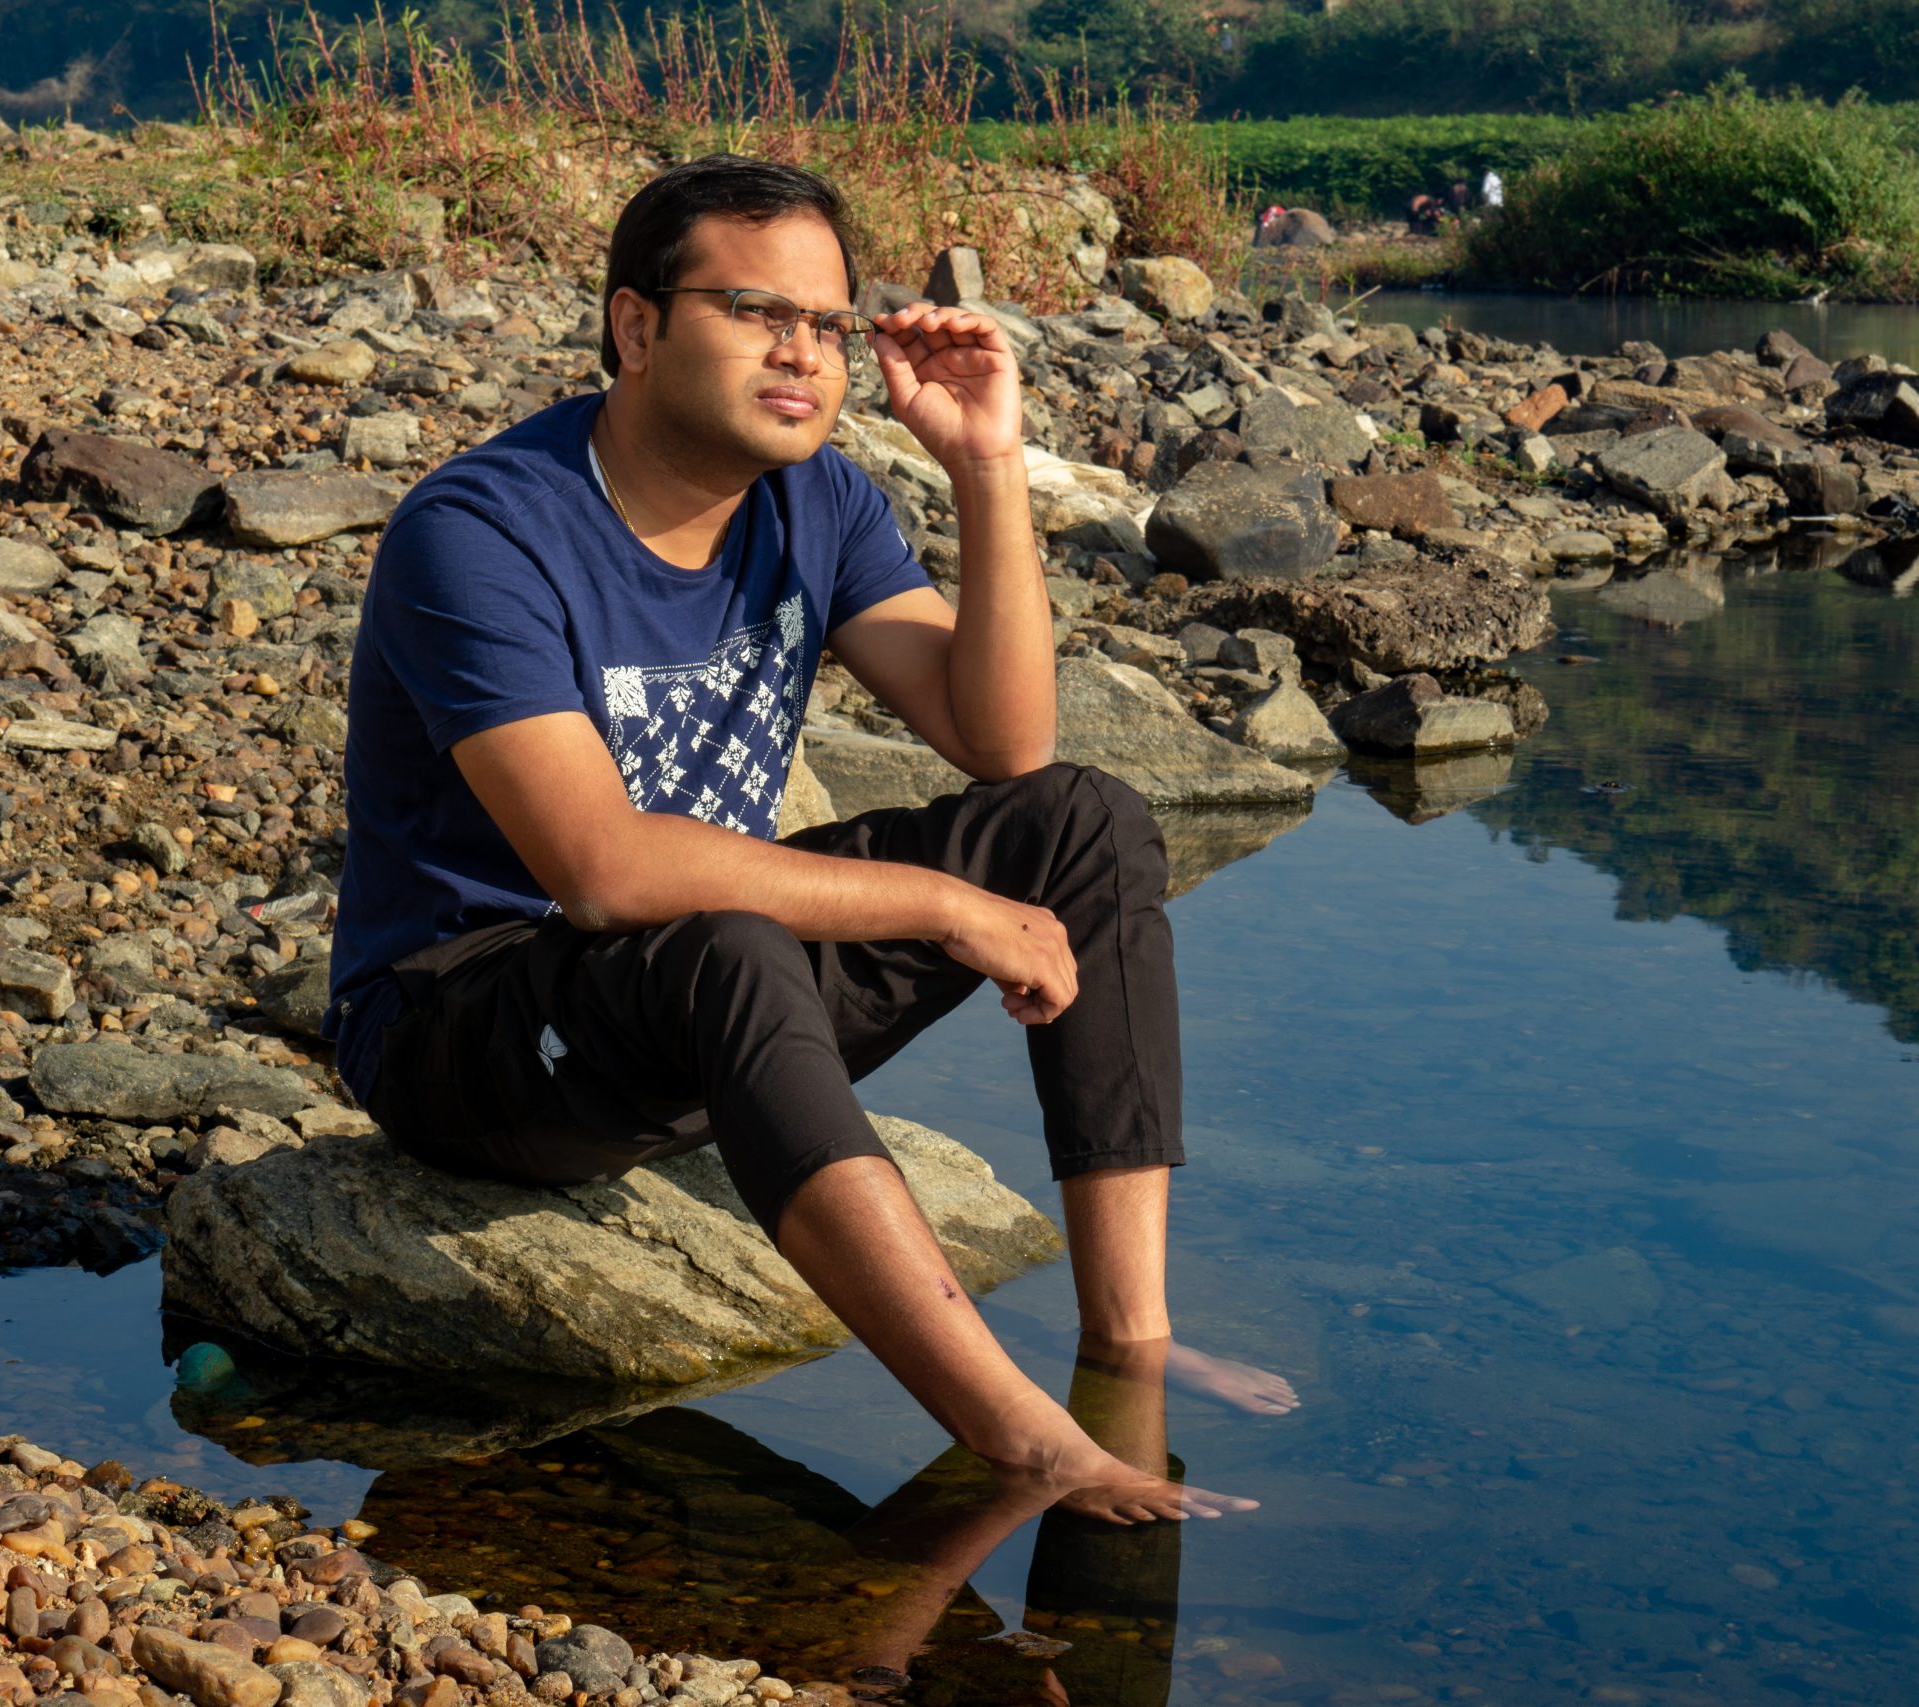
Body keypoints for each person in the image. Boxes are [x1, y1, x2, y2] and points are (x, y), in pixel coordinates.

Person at [324, 155, 1293, 1524]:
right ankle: (1019, 1439)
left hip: (693, 993)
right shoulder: (480, 533)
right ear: (638, 325)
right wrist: (940, 909)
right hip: (465, 1023)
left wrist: (986, 465)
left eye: (829, 326)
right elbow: (601, 870)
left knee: (1083, 821)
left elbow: (1004, 743)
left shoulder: (817, 502)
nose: (803, 353)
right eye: (756, 311)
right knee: (730, 940)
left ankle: (1128, 1339)